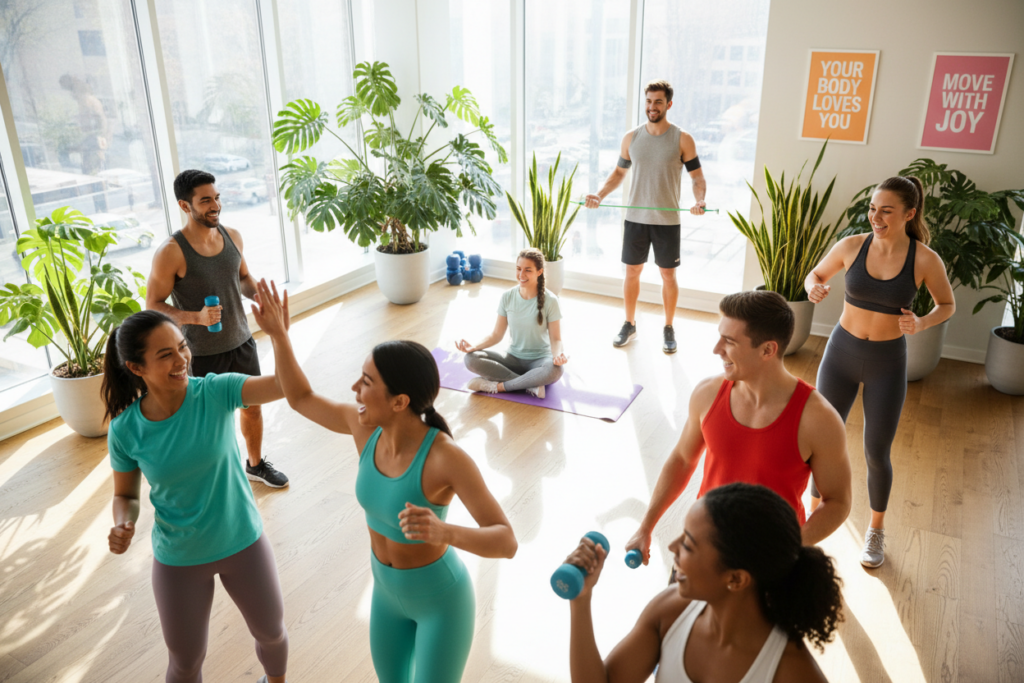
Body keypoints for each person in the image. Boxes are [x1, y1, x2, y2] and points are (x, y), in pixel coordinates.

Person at [251, 280, 518, 683]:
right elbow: (300, 397)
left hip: (441, 601)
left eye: (366, 382)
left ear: (400, 401)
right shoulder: (364, 431)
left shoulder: (446, 458)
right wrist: (280, 337)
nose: (355, 389)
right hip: (386, 594)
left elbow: (506, 541)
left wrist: (444, 531)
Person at [103, 307, 290, 683]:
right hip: (179, 558)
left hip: (243, 542)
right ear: (136, 367)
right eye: (165, 354)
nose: (181, 359)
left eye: (182, 347)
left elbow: (285, 386)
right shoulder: (125, 430)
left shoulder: (215, 392)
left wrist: (280, 337)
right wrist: (123, 520)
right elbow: (126, 494)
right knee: (185, 662)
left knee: (272, 634)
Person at [626, 291, 852, 566]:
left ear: (768, 349)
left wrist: (790, 547)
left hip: (770, 557)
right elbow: (682, 460)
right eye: (720, 336)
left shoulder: (818, 419)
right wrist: (645, 527)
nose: (716, 349)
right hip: (704, 543)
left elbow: (838, 501)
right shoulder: (707, 394)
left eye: (729, 341)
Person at [805, 175, 955, 568]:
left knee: (876, 451)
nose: (875, 216)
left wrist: (921, 323)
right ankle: (809, 521)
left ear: (909, 213)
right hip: (840, 353)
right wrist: (813, 287)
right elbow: (816, 274)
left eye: (886, 211)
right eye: (873, 208)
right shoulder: (852, 246)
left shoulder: (924, 258)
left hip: (888, 363)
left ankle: (875, 530)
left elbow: (947, 304)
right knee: (820, 441)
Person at [565, 483, 842, 683]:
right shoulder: (670, 610)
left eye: (688, 544)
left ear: (736, 579)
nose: (672, 546)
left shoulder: (792, 673)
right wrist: (581, 599)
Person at [145, 169, 288, 488]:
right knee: (210, 422)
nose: (215, 205)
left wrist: (260, 295)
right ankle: (214, 475)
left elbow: (242, 278)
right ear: (185, 206)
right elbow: (152, 303)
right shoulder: (171, 251)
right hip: (201, 353)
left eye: (217, 197)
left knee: (252, 408)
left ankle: (254, 465)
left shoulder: (232, 236)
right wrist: (196, 317)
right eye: (205, 200)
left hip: (241, 341)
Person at [584, 80, 708, 354]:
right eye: (649, 101)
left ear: (669, 104)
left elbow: (697, 177)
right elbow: (618, 174)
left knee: (667, 274)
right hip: (635, 219)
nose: (652, 107)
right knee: (632, 272)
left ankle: (668, 327)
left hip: (667, 221)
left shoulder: (682, 139)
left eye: (658, 102)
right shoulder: (631, 138)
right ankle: (629, 323)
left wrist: (699, 201)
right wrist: (599, 195)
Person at [455, 248, 568, 399]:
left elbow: (556, 339)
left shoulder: (551, 300)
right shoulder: (507, 297)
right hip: (513, 359)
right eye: (519, 269)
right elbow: (496, 335)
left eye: (528, 270)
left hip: (540, 361)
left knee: (556, 370)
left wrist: (557, 356)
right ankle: (530, 384)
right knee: (470, 358)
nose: (521, 275)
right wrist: (474, 346)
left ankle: (498, 387)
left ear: (539, 272)